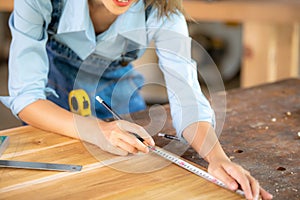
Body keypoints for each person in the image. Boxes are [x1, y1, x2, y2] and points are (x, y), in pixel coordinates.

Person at [1, 0, 272, 199]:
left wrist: (217, 157)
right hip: (53, 110)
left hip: (120, 99)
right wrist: (97, 131)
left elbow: (187, 97)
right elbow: (27, 98)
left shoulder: (162, 8)